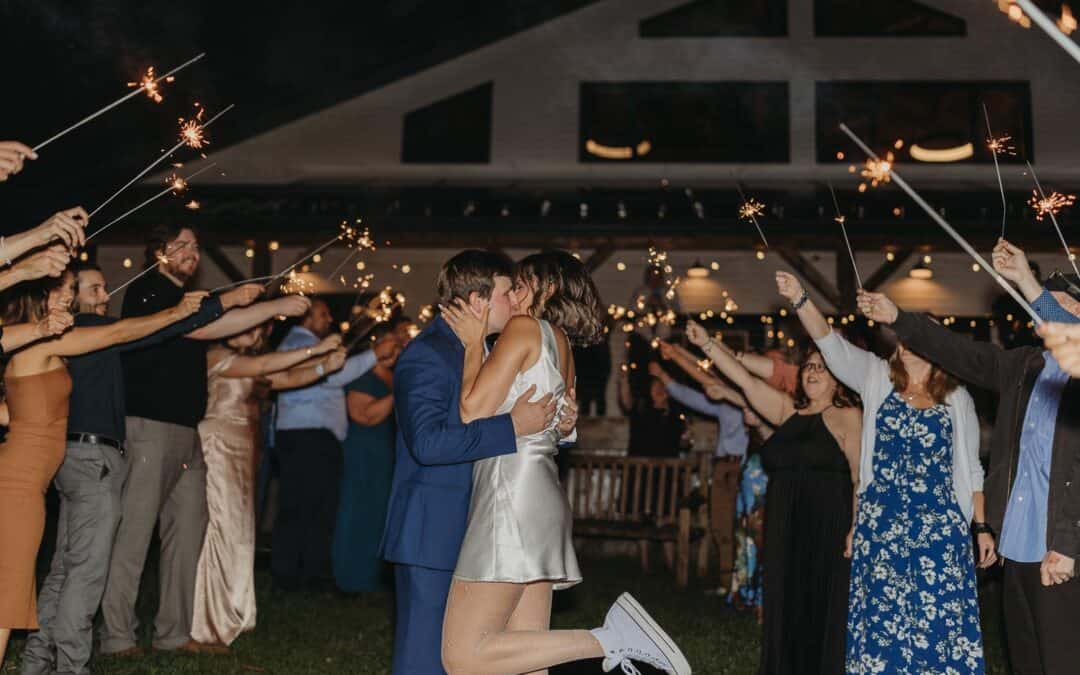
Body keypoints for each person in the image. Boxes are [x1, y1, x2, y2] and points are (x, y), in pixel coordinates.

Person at [439, 250, 690, 675]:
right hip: (542, 494)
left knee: (463, 656)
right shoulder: (561, 343)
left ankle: (609, 639)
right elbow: (561, 428)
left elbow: (472, 411)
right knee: (526, 657)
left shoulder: (522, 329)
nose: (514, 294)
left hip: (510, 492)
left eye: (521, 284)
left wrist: (471, 344)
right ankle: (611, 640)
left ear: (547, 287)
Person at [19, 262, 264, 675]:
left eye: (103, 286)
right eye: (94, 288)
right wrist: (217, 304)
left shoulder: (80, 337)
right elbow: (146, 330)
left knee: (66, 566)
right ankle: (70, 666)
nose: (105, 294)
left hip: (79, 459)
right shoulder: (82, 333)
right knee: (87, 571)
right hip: (91, 459)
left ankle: (37, 660)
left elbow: (148, 334)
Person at [100, 224, 313, 657]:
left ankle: (173, 633)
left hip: (188, 429)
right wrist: (266, 306)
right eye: (182, 245)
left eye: (196, 247)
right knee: (135, 533)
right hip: (149, 426)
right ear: (158, 251)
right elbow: (196, 327)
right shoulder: (149, 291)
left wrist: (251, 307)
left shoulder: (195, 302)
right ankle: (117, 635)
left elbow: (213, 323)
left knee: (189, 532)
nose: (191, 253)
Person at [858, 277, 1080, 675]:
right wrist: (898, 317)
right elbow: (959, 352)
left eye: (1049, 304)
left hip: (1064, 549)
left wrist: (1068, 543)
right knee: (1027, 660)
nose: (1036, 312)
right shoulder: (1023, 365)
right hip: (1019, 543)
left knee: (1065, 660)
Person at [777, 271, 990, 673]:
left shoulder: (958, 398)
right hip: (883, 525)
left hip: (939, 529)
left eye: (919, 335)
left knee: (937, 623)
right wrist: (800, 298)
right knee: (884, 623)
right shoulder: (876, 377)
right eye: (904, 334)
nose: (908, 343)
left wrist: (980, 528)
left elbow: (972, 468)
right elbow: (830, 345)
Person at [0, 269, 207, 666]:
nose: (65, 297)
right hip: (27, 480)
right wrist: (176, 312)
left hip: (37, 479)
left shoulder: (45, 346)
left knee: (46, 576)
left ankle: (37, 663)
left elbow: (13, 414)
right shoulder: (41, 342)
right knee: (29, 587)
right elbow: (118, 333)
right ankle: (69, 666)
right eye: (60, 290)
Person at [382, 250, 567, 675]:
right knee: (425, 660)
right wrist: (512, 426)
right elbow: (427, 444)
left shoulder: (480, 350)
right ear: (477, 299)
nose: (515, 302)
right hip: (433, 530)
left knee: (474, 655)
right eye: (507, 292)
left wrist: (556, 423)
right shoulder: (428, 353)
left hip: (479, 525)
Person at [686, 318, 861, 675]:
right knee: (784, 604)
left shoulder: (847, 416)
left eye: (823, 367)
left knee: (819, 606)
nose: (813, 372)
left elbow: (861, 477)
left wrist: (856, 526)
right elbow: (745, 380)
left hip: (827, 525)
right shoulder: (787, 412)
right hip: (785, 524)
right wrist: (708, 344)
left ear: (839, 376)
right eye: (809, 365)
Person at [191, 326, 347, 649]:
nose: (252, 331)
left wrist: (324, 368)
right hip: (217, 445)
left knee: (242, 531)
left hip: (246, 449)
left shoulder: (251, 363)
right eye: (244, 324)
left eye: (256, 327)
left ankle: (236, 609)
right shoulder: (217, 356)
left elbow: (285, 379)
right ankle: (208, 619)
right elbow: (265, 367)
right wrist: (317, 351)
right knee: (221, 528)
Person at [272, 297, 398, 591]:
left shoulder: (307, 344)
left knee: (314, 508)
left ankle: (306, 575)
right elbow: (328, 376)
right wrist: (372, 355)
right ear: (305, 318)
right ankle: (296, 577)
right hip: (306, 437)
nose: (329, 319)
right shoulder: (297, 344)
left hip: (314, 437)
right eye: (323, 314)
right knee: (305, 509)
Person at [652, 340, 749, 590]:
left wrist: (672, 359)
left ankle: (741, 582)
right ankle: (728, 582)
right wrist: (670, 363)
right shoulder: (724, 403)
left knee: (741, 526)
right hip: (721, 469)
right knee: (719, 525)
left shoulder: (749, 397)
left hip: (744, 469)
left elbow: (705, 376)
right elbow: (691, 394)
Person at [333, 323, 401, 592]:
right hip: (363, 451)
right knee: (357, 512)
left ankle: (369, 577)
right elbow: (364, 415)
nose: (397, 349)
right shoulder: (363, 376)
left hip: (385, 451)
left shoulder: (394, 375)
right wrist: (398, 394)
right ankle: (349, 578)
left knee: (377, 515)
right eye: (392, 343)